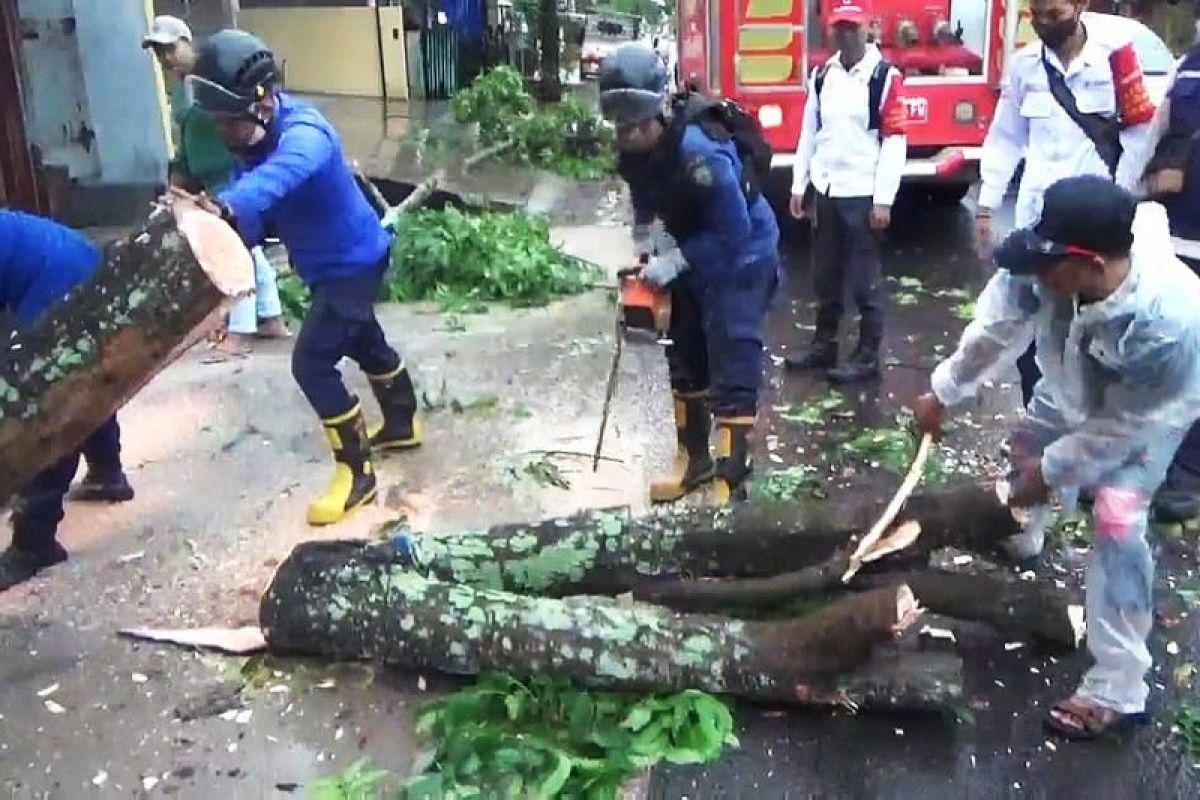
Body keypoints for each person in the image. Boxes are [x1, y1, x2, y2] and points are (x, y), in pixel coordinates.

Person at [912, 176, 1200, 739]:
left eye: (1049, 267)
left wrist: (1045, 476)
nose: (1036, 275)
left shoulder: (1169, 322)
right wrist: (944, 392)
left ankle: (1120, 687)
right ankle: (1023, 535)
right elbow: (996, 327)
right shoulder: (1051, 265)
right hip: (1069, 378)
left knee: (1117, 516)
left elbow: (1121, 428)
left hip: (1148, 412)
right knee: (1028, 444)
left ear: (1091, 264)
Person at [184, 30, 422, 525]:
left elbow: (279, 177)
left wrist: (229, 207)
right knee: (363, 340)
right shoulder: (252, 137)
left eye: (228, 121)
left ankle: (357, 475)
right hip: (331, 264)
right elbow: (259, 199)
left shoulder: (305, 133)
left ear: (263, 100)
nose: (222, 131)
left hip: (352, 264)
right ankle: (402, 422)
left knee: (312, 362)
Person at [598, 42, 781, 505]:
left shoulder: (700, 155)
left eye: (638, 124)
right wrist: (651, 253)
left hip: (741, 255)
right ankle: (693, 462)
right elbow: (651, 207)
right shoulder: (634, 151)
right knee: (685, 356)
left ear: (657, 111)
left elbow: (734, 229)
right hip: (691, 249)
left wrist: (677, 260)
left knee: (733, 358)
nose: (630, 134)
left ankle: (730, 480)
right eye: (621, 126)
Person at [973, 1, 1157, 406]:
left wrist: (1120, 200)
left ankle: (1088, 429)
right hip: (1037, 223)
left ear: (1080, 6)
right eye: (1036, 16)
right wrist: (986, 206)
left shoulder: (1117, 58)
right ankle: (1035, 428)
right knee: (1031, 329)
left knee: (1093, 332)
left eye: (1054, 15)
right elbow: (1006, 138)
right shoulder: (1024, 67)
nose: (1043, 25)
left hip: (1091, 226)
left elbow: (1141, 135)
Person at [0, 210, 135, 591]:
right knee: (86, 380)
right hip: (78, 257)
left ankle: (34, 541)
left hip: (54, 277)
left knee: (51, 405)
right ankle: (107, 472)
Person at [142, 15, 289, 361]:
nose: (165, 58)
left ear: (186, 41)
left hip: (231, 172)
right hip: (207, 174)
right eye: (158, 51)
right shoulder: (180, 90)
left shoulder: (216, 76)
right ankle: (272, 318)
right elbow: (186, 139)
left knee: (232, 249)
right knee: (250, 253)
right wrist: (178, 178)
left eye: (169, 48)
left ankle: (239, 333)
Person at [785, 0, 908, 384]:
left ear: (868, 28)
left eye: (852, 27)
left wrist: (884, 199)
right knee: (825, 276)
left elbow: (894, 141)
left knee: (864, 279)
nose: (845, 34)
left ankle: (867, 356)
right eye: (839, 27)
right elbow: (810, 133)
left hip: (862, 192)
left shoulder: (885, 77)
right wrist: (798, 183)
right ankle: (824, 346)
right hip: (827, 189)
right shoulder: (823, 75)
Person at [1140, 34, 1200, 523]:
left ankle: (1190, 472)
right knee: (1172, 353)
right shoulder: (1189, 66)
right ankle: (1161, 456)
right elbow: (1155, 131)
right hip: (1179, 235)